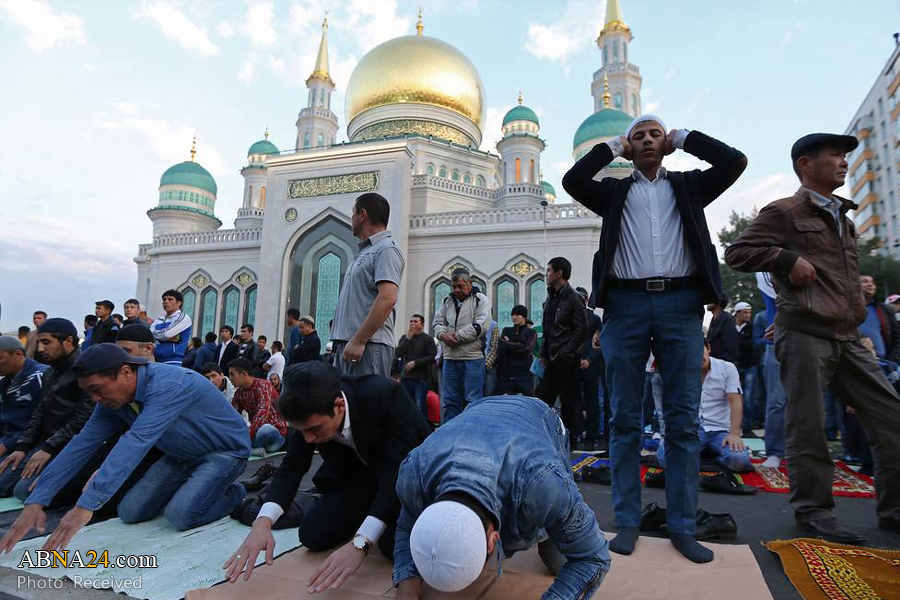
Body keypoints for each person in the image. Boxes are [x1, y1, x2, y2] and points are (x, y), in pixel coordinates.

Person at [563, 114, 747, 562]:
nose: (647, 141)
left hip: (680, 305)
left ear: (666, 144)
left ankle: (683, 526)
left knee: (682, 419)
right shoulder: (612, 194)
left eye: (655, 135)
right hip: (624, 308)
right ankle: (627, 521)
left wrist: (685, 138)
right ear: (630, 144)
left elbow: (734, 162)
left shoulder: (688, 187)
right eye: (639, 136)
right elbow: (572, 179)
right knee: (624, 417)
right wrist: (612, 147)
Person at [724, 132, 900, 543]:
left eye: (845, 156)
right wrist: (786, 258)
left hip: (849, 337)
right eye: (835, 155)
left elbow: (844, 283)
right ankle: (814, 512)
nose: (844, 163)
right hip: (805, 334)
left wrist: (858, 323)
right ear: (806, 164)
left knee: (891, 419)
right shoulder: (785, 210)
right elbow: (738, 252)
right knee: (809, 427)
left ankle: (894, 510)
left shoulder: (846, 219)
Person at [0, 343, 251, 554]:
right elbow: (82, 442)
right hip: (180, 455)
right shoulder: (112, 401)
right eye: (89, 393)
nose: (95, 399)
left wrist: (85, 506)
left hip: (223, 453)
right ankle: (196, 489)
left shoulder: (170, 385)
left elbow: (136, 441)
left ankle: (233, 493)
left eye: (97, 389)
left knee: (181, 516)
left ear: (126, 372)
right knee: (130, 512)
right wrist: (37, 501)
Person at [223, 361, 430, 592]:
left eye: (315, 430)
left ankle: (373, 521)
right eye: (302, 432)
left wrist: (361, 543)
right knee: (313, 535)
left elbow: (396, 473)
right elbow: (292, 466)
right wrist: (263, 522)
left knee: (392, 545)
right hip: (357, 481)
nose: (309, 440)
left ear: (339, 406)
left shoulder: (385, 396)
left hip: (406, 482)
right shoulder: (308, 417)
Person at [392, 394, 610, 600]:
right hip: (479, 410)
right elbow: (407, 522)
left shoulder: (542, 483)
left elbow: (592, 557)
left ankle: (566, 517)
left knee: (558, 560)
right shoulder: (415, 471)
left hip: (538, 416)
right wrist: (407, 590)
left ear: (492, 540)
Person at [0, 320, 93, 501]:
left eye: (46, 342)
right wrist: (22, 447)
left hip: (67, 446)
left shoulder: (85, 371)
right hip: (45, 444)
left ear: (68, 341)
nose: (40, 349)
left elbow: (84, 418)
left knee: (24, 491)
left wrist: (49, 448)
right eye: (39, 343)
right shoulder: (50, 374)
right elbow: (39, 413)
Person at [331, 193, 404, 377]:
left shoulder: (386, 249)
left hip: (368, 347)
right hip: (350, 346)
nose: (351, 218)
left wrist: (359, 340)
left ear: (363, 214)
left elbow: (388, 298)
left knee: (368, 404)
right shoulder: (367, 251)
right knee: (348, 405)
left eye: (353, 213)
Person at [657, 342, 752, 473]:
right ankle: (703, 455)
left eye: (701, 353)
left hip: (721, 431)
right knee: (665, 458)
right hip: (692, 430)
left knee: (740, 461)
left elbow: (735, 401)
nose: (699, 358)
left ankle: (702, 457)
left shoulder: (727, 368)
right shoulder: (682, 371)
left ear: (709, 349)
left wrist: (734, 434)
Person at [538, 257, 588, 442]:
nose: (547, 275)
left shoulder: (574, 298)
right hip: (552, 357)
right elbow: (547, 328)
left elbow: (582, 328)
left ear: (559, 273)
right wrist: (544, 353)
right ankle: (543, 436)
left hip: (566, 358)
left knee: (569, 400)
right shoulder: (551, 297)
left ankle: (573, 438)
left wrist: (567, 352)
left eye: (550, 270)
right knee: (543, 398)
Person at [433, 268, 491, 422]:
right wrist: (443, 335)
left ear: (470, 283)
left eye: (460, 286)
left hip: (472, 359)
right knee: (450, 401)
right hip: (450, 359)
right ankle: (449, 436)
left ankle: (471, 435)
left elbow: (480, 326)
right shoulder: (447, 301)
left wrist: (456, 337)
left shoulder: (481, 300)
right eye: (454, 286)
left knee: (472, 401)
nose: (457, 290)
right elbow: (437, 322)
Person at [0, 336, 47, 496]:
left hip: (32, 443)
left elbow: (40, 423)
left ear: (18, 354)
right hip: (11, 441)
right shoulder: (5, 383)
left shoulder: (39, 377)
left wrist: (7, 445)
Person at [228, 358, 288, 454]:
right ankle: (248, 449)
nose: (230, 379)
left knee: (265, 429)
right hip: (255, 435)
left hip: (275, 435)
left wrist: (245, 436)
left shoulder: (263, 386)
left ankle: (246, 448)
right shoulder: (239, 393)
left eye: (232, 375)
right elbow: (231, 416)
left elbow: (261, 415)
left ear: (243, 374)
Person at [393, 315, 438, 419]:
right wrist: (408, 338)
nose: (412, 323)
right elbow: (398, 353)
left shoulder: (427, 339)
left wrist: (415, 363)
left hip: (420, 380)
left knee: (419, 408)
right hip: (405, 379)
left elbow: (432, 357)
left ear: (422, 325)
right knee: (405, 407)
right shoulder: (404, 338)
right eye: (411, 321)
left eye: (415, 321)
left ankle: (420, 432)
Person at [577, 287, 604, 451]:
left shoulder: (594, 318)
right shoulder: (568, 317)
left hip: (591, 365)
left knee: (592, 400)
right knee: (573, 401)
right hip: (572, 363)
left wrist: (589, 359)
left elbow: (598, 343)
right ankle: (576, 433)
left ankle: (592, 436)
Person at [859, 275, 900, 363]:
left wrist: (892, 359)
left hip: (883, 361)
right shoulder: (846, 310)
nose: (870, 284)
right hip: (857, 360)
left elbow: (896, 336)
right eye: (865, 281)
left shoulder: (884, 309)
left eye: (872, 282)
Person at [496, 305, 536, 396]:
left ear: (524, 316)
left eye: (517, 315)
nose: (514, 317)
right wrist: (517, 344)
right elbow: (501, 345)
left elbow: (526, 349)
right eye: (512, 315)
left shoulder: (530, 332)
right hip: (507, 373)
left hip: (524, 373)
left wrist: (508, 343)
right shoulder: (507, 330)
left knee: (528, 401)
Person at [734, 301, 760, 431]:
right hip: (735, 366)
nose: (748, 315)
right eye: (744, 312)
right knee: (735, 397)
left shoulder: (752, 327)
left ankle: (748, 426)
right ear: (737, 313)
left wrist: (738, 341)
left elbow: (752, 344)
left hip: (750, 365)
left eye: (749, 312)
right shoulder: (730, 326)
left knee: (750, 398)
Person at [151, 289, 192, 365]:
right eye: (164, 299)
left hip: (173, 361)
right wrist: (166, 337)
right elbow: (149, 336)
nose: (166, 302)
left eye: (170, 299)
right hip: (156, 360)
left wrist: (157, 336)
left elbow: (167, 334)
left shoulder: (183, 317)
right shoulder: (158, 320)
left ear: (179, 303)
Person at [706, 294, 738, 365]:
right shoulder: (713, 320)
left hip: (723, 366)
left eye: (710, 299)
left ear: (718, 301)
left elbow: (730, 347)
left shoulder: (728, 319)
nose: (707, 302)